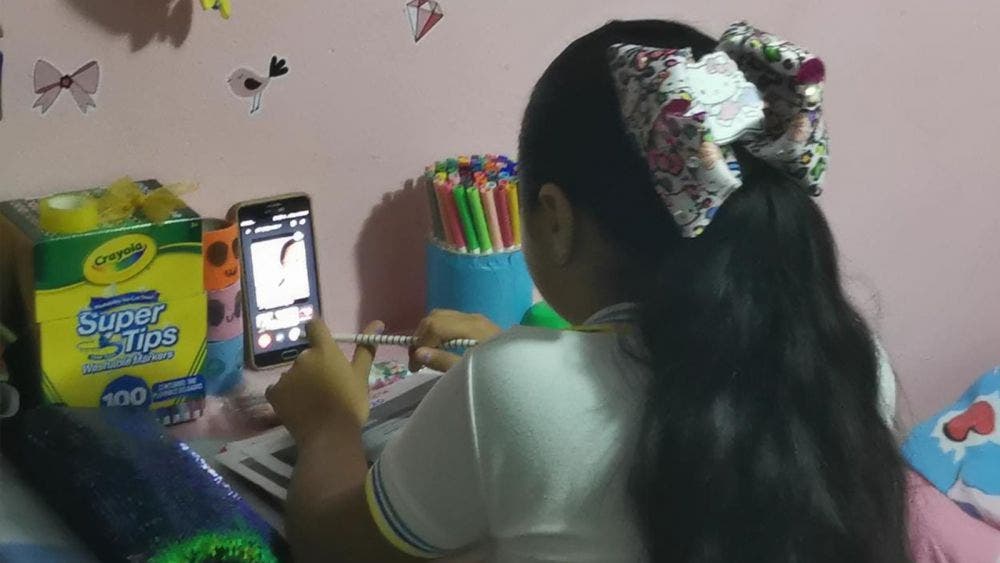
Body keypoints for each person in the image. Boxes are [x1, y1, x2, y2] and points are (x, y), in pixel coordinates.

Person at [266, 20, 915, 562]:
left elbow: (330, 542)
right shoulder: (855, 365)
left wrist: (329, 423)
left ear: (555, 219)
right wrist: (535, 357)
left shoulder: (510, 388)